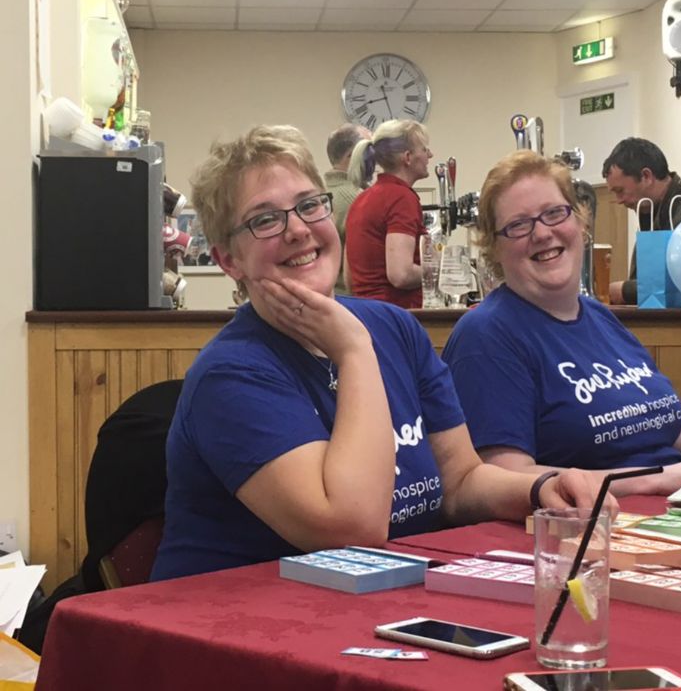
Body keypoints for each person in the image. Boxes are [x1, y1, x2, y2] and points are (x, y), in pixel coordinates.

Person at [150, 126, 614, 582]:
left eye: (309, 205)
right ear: (229, 259)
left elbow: (461, 480)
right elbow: (353, 529)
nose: (298, 230)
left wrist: (540, 487)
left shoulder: (393, 327)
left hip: (383, 606)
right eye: (265, 219)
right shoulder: (231, 375)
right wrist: (353, 351)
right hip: (235, 627)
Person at [442, 150, 681, 497]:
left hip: (677, 507)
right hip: (595, 526)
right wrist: (652, 478)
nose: (542, 233)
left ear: (579, 222)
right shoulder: (487, 335)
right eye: (518, 225)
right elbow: (508, 477)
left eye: (554, 213)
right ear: (493, 247)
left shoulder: (598, 316)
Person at [602, 138, 681, 305]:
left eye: (620, 191)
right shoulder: (650, 210)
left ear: (646, 176)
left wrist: (626, 291)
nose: (618, 200)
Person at [344, 119, 430, 308]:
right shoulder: (401, 198)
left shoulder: (360, 200)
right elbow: (401, 274)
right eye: (424, 150)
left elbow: (349, 279)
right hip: (396, 315)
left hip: (365, 313)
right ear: (407, 157)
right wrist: (438, 272)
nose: (430, 155)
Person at [323, 123, 371, 294]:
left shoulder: (320, 193)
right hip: (350, 301)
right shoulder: (358, 200)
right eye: (369, 150)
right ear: (352, 156)